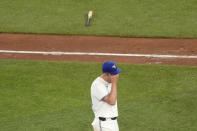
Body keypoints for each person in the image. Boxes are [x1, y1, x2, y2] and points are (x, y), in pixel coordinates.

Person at [90, 61, 121, 131]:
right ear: (108, 74)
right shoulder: (97, 85)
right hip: (103, 124)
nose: (117, 75)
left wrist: (113, 83)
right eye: (114, 74)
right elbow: (112, 101)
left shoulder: (109, 83)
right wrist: (114, 82)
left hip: (113, 123)